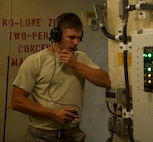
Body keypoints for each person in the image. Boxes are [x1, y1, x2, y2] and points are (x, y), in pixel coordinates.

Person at [12, 12, 111, 142]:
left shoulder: (80, 58)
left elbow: (105, 81)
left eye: (79, 38)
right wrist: (53, 114)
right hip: (42, 135)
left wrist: (75, 65)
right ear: (56, 35)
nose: (76, 43)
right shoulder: (35, 61)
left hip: (73, 134)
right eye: (71, 37)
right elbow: (17, 101)